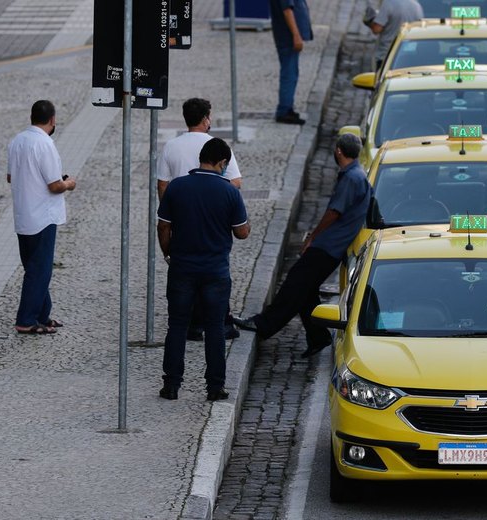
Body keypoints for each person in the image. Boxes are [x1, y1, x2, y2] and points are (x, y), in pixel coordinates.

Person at [233, 134, 371, 357]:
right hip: (333, 246)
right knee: (306, 290)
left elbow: (334, 212)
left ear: (338, 151)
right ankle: (319, 337)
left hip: (328, 246)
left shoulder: (352, 179)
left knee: (295, 284)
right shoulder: (357, 174)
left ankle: (264, 324)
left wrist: (312, 237)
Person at [157, 137, 250, 401]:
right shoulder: (229, 192)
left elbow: (163, 225)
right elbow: (241, 232)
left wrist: (168, 253)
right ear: (222, 163)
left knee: (176, 325)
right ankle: (214, 387)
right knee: (215, 327)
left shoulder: (177, 187)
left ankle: (171, 385)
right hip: (215, 271)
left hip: (182, 267)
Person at [158, 97, 242, 341]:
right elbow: (235, 182)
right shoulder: (217, 146)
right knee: (216, 270)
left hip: (182, 217)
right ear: (206, 119)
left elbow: (162, 184)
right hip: (213, 217)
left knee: (185, 271)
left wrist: (171, 211)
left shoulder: (171, 146)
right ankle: (221, 322)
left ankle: (192, 324)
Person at [7, 99, 76, 335]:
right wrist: (69, 183)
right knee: (40, 270)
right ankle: (26, 319)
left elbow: (10, 177)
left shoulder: (17, 141)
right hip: (43, 216)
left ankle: (42, 314)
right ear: (52, 120)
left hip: (23, 214)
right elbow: (54, 185)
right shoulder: (44, 144)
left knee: (34, 267)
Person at [269, 0, 313, 125]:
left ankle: (288, 108)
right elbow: (287, 11)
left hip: (285, 35)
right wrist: (296, 35)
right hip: (287, 36)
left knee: (291, 72)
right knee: (289, 74)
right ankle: (284, 110)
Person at [363, 0, 424, 70]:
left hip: (387, 54)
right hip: (409, 53)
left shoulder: (389, 3)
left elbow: (377, 29)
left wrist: (369, 22)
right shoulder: (416, 5)